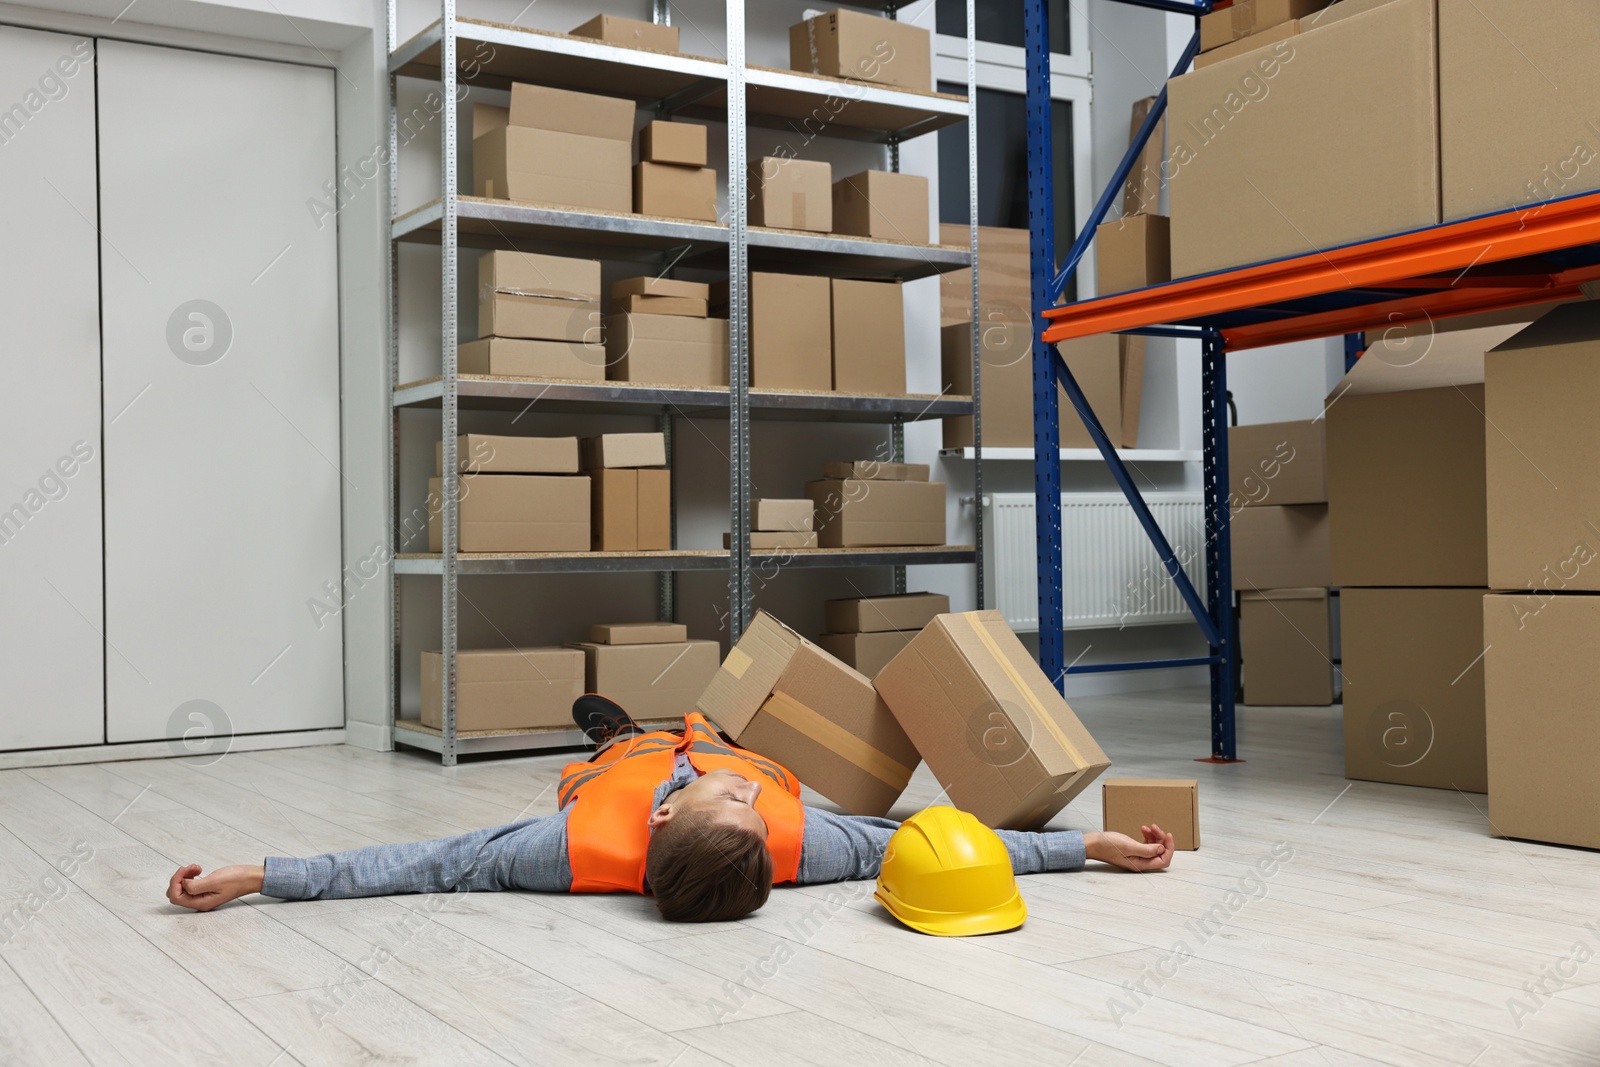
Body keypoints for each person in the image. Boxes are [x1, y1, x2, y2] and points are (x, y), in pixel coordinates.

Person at [165, 697, 1175, 922]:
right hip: (705, 728)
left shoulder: (559, 850)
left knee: (608, 737)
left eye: (729, 795)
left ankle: (606, 727)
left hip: (627, 759)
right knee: (713, 723)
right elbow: (939, 842)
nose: (744, 791)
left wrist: (259, 871)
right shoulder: (801, 847)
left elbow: (419, 859)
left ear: (655, 825)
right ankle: (660, 722)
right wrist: (1086, 844)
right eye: (742, 796)